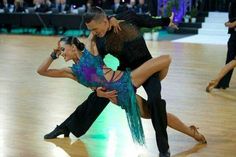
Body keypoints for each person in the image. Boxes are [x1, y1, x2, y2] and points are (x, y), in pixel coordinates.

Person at [43, 7, 178, 157]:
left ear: (105, 21)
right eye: (91, 30)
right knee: (99, 95)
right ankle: (66, 127)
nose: (93, 32)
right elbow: (92, 72)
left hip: (148, 69)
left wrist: (167, 21)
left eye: (95, 28)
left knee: (154, 101)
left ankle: (163, 150)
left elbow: (149, 21)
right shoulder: (100, 41)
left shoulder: (127, 18)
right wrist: (96, 90)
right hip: (125, 73)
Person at [38, 36, 207, 146]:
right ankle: (192, 132)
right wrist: (52, 56)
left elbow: (94, 32)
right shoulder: (72, 72)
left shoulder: (91, 52)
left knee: (166, 59)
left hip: (128, 78)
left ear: (73, 47)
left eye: (62, 49)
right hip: (124, 96)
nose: (61, 53)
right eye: (59, 51)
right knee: (157, 114)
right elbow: (41, 71)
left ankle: (155, 81)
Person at [208, 0, 236, 91]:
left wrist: (231, 24)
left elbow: (233, 23)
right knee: (230, 61)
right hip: (234, 35)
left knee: (232, 62)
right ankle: (222, 83)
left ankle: (217, 81)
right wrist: (229, 23)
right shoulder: (232, 3)